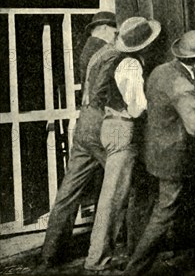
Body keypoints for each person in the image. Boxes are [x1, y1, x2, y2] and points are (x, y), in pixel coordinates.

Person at [125, 30, 195, 275]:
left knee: (161, 206)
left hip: (153, 152)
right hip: (172, 158)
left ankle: (173, 252)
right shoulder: (182, 84)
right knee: (165, 212)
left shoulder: (160, 71)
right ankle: (135, 269)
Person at [83, 16, 161, 271]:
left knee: (118, 194)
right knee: (114, 197)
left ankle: (113, 252)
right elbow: (137, 108)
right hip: (121, 128)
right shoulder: (130, 64)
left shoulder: (118, 59)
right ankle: (97, 260)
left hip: (110, 124)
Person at [40, 17, 118, 270]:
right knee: (124, 181)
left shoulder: (87, 48)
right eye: (115, 30)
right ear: (105, 29)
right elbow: (102, 93)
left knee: (69, 189)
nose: (117, 35)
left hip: (84, 125)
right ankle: (120, 247)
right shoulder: (105, 50)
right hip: (101, 124)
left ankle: (50, 253)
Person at [79, 11, 117, 87]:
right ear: (105, 28)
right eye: (115, 32)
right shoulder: (102, 48)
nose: (115, 37)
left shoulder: (90, 46)